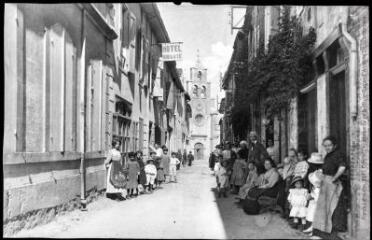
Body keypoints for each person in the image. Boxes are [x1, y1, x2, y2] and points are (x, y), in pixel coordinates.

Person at [313, 136, 347, 239]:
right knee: (324, 207)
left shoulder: (338, 154)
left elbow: (342, 167)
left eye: (329, 145)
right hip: (326, 182)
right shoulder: (329, 155)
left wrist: (334, 178)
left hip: (333, 183)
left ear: (334, 145)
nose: (327, 147)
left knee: (333, 207)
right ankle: (323, 231)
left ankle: (333, 234)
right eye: (325, 145)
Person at [303, 170, 322, 236]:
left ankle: (314, 231)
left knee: (314, 217)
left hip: (316, 205)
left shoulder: (318, 189)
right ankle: (311, 227)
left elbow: (317, 198)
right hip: (313, 204)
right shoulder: (315, 188)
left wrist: (311, 196)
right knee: (311, 216)